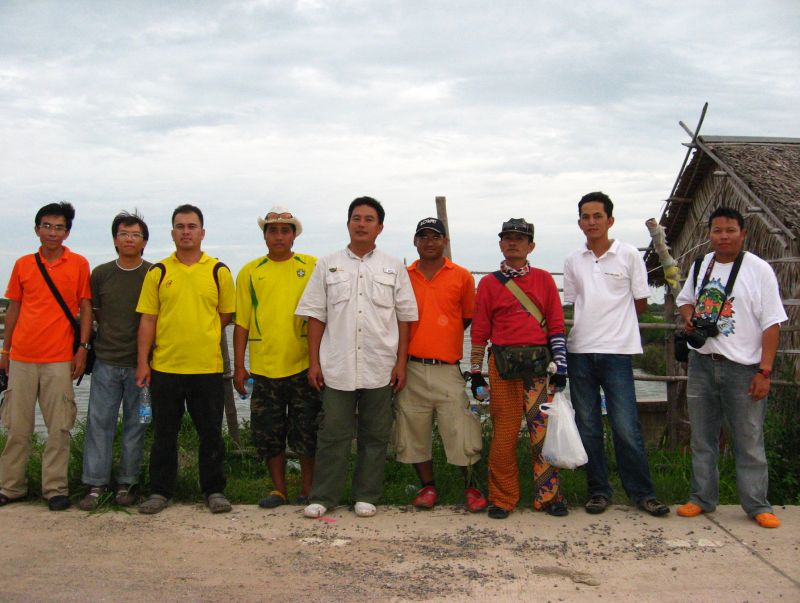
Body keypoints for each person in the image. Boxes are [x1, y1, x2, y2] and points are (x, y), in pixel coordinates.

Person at [296, 196, 418, 519]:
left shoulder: (393, 267)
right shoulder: (328, 264)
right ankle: (324, 495)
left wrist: (401, 362)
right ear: (348, 223)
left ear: (379, 227)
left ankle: (366, 494)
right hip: (337, 366)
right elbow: (315, 316)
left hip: (380, 365)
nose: (361, 224)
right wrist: (314, 362)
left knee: (375, 435)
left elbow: (406, 317)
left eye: (368, 219)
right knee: (332, 433)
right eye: (356, 218)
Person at [675, 206, 786, 528]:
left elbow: (773, 323)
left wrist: (764, 371)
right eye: (717, 231)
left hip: (743, 367)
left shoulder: (759, 270)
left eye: (730, 230)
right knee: (702, 437)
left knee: (748, 439)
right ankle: (701, 498)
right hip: (702, 363)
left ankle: (756, 504)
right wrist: (689, 319)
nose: (723, 236)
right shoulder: (700, 266)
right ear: (709, 234)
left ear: (743, 233)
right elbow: (685, 300)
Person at [563, 192, 669, 517]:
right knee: (589, 426)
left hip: (617, 352)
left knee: (626, 426)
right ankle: (598, 490)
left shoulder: (628, 255)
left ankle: (642, 493)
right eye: (585, 216)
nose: (591, 222)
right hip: (580, 351)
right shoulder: (573, 260)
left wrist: (615, 325)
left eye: (597, 216)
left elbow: (640, 302)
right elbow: (573, 302)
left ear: (610, 220)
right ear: (580, 222)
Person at [135, 204, 236, 515]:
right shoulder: (158, 272)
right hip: (166, 367)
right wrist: (143, 363)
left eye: (192, 226)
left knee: (211, 434)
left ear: (202, 232)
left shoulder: (218, 270)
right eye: (180, 226)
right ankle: (160, 491)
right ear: (172, 232)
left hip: (207, 369)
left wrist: (199, 334)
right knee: (164, 434)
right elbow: (148, 320)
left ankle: (214, 490)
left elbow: (225, 315)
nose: (186, 231)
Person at [469, 218, 568, 519]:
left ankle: (548, 496)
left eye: (520, 239)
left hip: (540, 369)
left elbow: (556, 324)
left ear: (531, 246)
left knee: (543, 434)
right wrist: (474, 374)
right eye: (507, 237)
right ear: (500, 243)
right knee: (504, 435)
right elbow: (479, 331)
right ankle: (502, 498)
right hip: (502, 368)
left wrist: (561, 366)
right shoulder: (487, 283)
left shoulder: (544, 280)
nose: (513, 242)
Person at [0, 202, 92, 511]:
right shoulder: (23, 264)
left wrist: (82, 348)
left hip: (58, 358)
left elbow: (85, 307)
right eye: (47, 226)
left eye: (59, 227)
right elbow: (14, 308)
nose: (53, 232)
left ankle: (55, 489)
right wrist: (6, 350)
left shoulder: (78, 263)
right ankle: (11, 487)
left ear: (67, 232)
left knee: (59, 428)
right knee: (17, 427)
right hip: (22, 357)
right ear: (37, 228)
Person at [395, 217, 488, 512]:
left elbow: (467, 317)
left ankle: (472, 487)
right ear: (415, 242)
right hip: (410, 366)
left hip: (447, 367)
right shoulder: (403, 275)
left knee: (461, 430)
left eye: (435, 236)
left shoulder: (461, 276)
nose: (429, 242)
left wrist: (441, 338)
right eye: (423, 236)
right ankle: (428, 486)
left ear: (445, 241)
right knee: (413, 431)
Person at [233, 206, 320, 508]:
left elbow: (323, 315)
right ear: (265, 235)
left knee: (307, 432)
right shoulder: (249, 272)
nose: (279, 235)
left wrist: (320, 363)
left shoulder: (311, 266)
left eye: (285, 230)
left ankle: (307, 490)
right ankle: (279, 489)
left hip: (304, 365)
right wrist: (239, 366)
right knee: (268, 433)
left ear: (294, 235)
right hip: (264, 367)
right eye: (273, 230)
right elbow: (241, 321)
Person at [79, 211, 152, 510]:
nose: (129, 239)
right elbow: (94, 311)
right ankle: (96, 484)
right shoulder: (101, 273)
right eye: (123, 233)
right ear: (114, 239)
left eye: (135, 234)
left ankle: (127, 483)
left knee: (138, 424)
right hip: (107, 361)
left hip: (141, 364)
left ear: (144, 241)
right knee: (100, 424)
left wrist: (145, 359)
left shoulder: (154, 273)